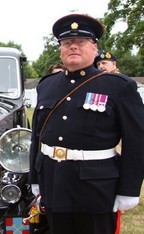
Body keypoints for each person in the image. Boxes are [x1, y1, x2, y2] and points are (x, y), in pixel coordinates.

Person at [29, 14, 144, 234]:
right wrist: (36, 178)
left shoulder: (119, 87)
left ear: (94, 48)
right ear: (61, 49)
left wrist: (129, 190)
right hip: (54, 183)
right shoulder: (47, 85)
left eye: (80, 42)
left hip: (96, 189)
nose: (73, 47)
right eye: (67, 43)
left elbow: (137, 142)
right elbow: (37, 136)